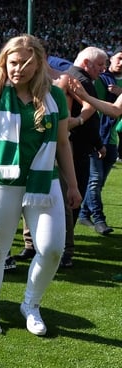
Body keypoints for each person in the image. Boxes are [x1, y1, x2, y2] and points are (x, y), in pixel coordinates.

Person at [0, 35, 81, 337]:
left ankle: (30, 306)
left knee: (52, 249)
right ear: (3, 62)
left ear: (38, 64)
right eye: (12, 62)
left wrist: (72, 185)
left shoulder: (55, 97)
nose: (17, 68)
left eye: (25, 63)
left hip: (44, 181)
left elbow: (62, 143)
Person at [71, 49, 121, 236]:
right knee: (94, 182)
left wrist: (86, 98)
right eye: (101, 64)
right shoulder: (94, 80)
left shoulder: (85, 83)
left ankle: (85, 215)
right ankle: (97, 219)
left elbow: (115, 111)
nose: (103, 68)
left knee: (95, 182)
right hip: (96, 140)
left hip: (106, 140)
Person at [65, 47, 108, 245]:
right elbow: (91, 118)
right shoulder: (81, 81)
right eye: (100, 64)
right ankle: (66, 245)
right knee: (74, 196)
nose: (103, 69)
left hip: (69, 145)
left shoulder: (70, 76)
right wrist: (98, 143)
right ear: (86, 63)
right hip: (76, 148)